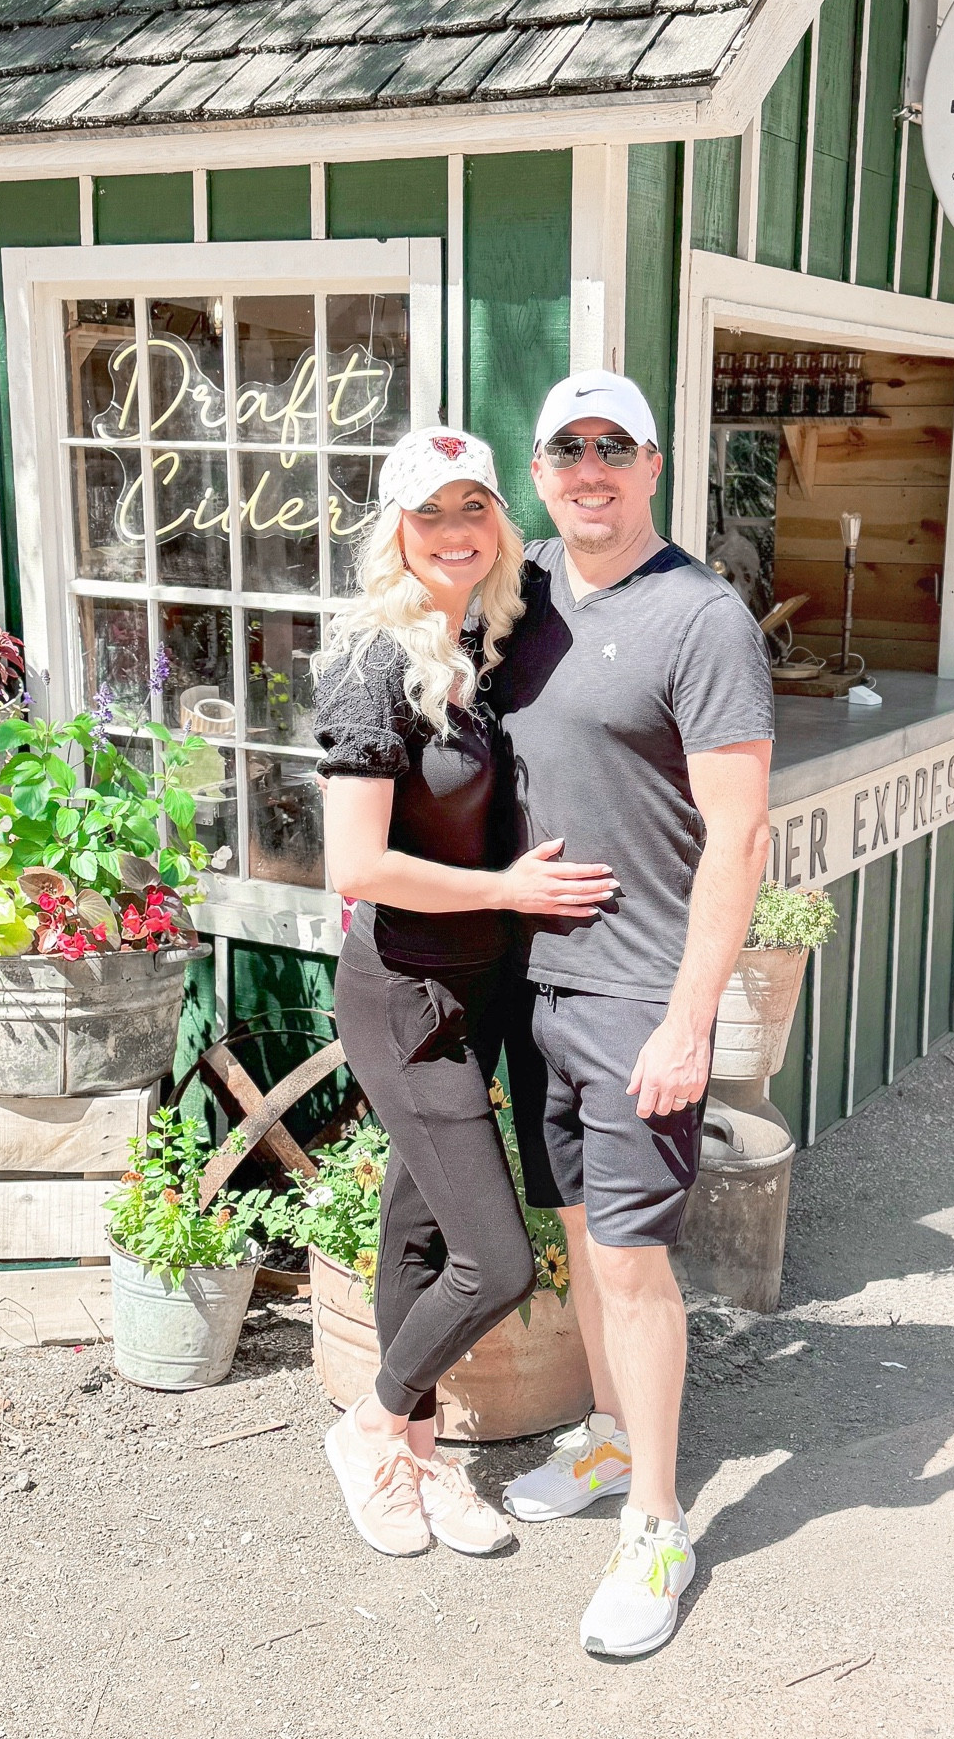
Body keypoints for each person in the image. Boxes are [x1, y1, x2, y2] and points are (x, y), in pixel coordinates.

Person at [490, 371, 774, 1659]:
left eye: (615, 445)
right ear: (537, 467)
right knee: (574, 1236)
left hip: (634, 990)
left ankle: (658, 1521)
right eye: (567, 448)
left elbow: (739, 833)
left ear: (653, 463)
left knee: (629, 1260)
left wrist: (690, 1018)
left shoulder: (700, 618)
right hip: (529, 980)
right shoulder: (519, 587)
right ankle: (612, 1443)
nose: (590, 467)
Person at [312, 427, 617, 1560]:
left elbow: (604, 550)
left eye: (471, 510)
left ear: (500, 520)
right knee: (494, 1256)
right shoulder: (370, 658)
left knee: (419, 1226)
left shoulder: (486, 639)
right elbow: (358, 865)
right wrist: (501, 884)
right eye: (428, 513)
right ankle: (374, 1424)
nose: (453, 532)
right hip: (405, 992)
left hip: (485, 983)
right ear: (393, 528)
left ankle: (420, 1459)